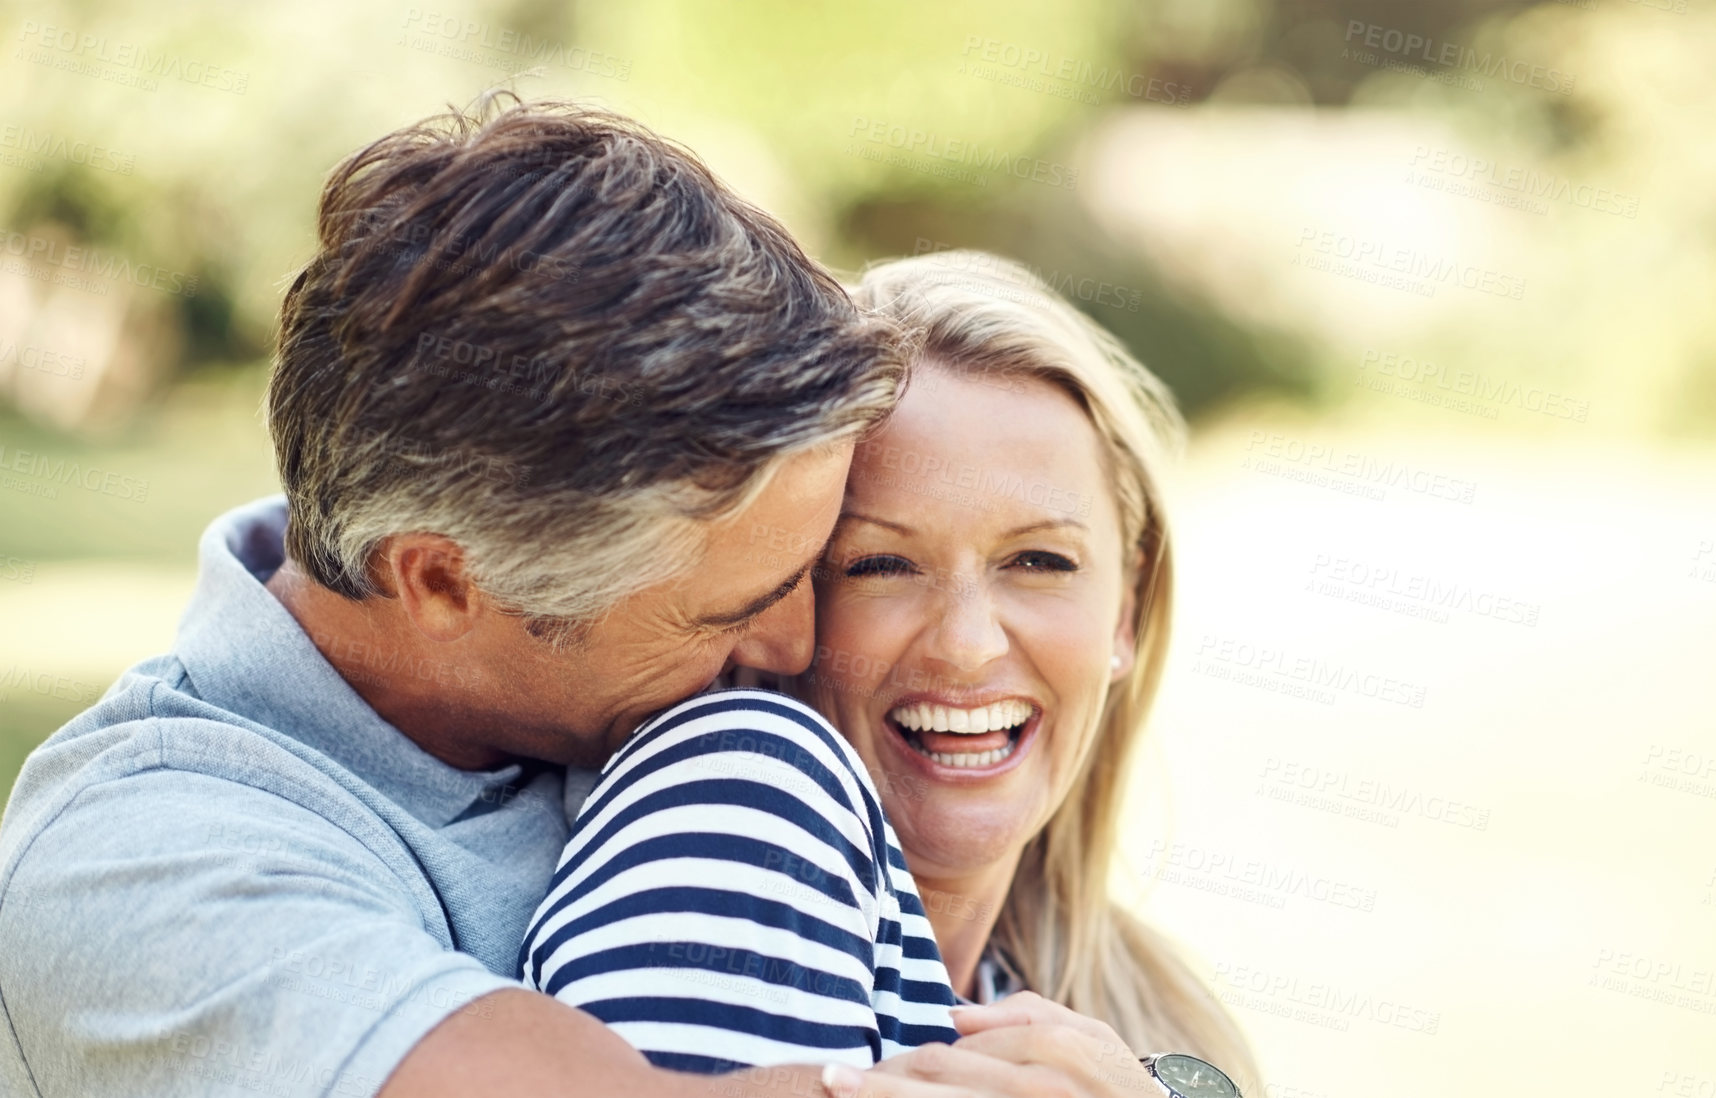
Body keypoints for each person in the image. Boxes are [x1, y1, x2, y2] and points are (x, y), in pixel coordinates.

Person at [0, 99, 1094, 1098]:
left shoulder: (607, 698)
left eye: (811, 571)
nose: (793, 646)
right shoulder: (144, 865)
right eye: (726, 611)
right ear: (439, 582)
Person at [520, 251, 1259, 1094]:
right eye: (879, 565)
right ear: (778, 600)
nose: (968, 645)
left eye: (1040, 559)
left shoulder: (1161, 1022)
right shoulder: (745, 798)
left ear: (1123, 612)